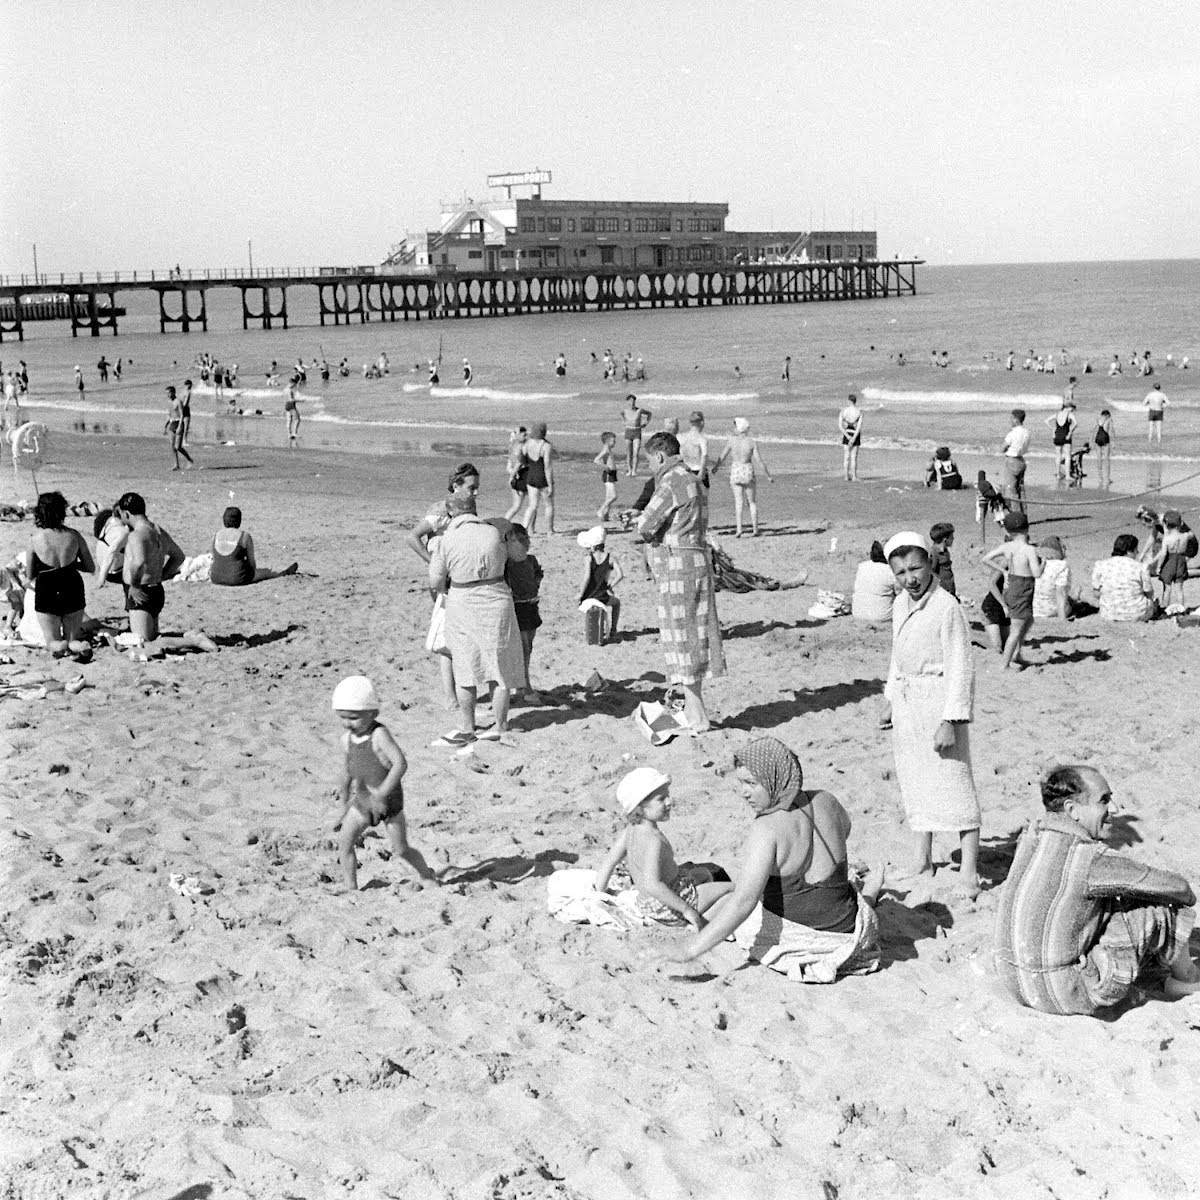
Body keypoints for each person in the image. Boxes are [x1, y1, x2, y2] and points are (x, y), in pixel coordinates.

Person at [660, 738, 883, 983]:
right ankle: (874, 886)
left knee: (724, 904)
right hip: (849, 931)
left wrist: (690, 950)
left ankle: (874, 888)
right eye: (741, 783)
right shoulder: (826, 800)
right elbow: (845, 829)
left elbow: (744, 902)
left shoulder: (767, 828)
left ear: (774, 778)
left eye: (751, 783)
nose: (744, 792)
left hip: (805, 936)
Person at [993, 765, 1200, 1015]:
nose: (1113, 810)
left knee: (1103, 900)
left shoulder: (1032, 838)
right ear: (1072, 810)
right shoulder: (1087, 856)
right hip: (1063, 993)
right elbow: (1181, 889)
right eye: (1104, 801)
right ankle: (1186, 981)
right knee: (1165, 905)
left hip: (1015, 981)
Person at [881, 531, 980, 895]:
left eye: (916, 568)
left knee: (954, 783)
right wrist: (890, 697)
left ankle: (968, 870)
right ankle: (922, 860)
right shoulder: (900, 605)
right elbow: (897, 655)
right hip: (909, 703)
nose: (910, 578)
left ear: (930, 563)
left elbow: (961, 666)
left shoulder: (946, 606)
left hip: (938, 700)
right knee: (916, 781)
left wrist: (951, 720)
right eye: (901, 572)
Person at [636, 431, 725, 733]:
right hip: (698, 559)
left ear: (659, 456)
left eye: (650, 462)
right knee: (695, 636)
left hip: (679, 564)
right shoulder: (695, 481)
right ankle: (693, 710)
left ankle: (698, 718)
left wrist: (645, 527)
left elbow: (645, 525)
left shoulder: (671, 481)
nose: (651, 467)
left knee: (681, 639)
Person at [428, 494, 526, 747]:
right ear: (474, 510)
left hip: (462, 598)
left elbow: (435, 581)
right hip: (496, 597)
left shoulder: (447, 538)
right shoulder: (495, 531)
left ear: (451, 514)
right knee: (499, 665)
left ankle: (467, 725)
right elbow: (520, 556)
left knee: (465, 666)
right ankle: (501, 724)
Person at [331, 675, 435, 892]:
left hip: (388, 802)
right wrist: (342, 804)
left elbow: (400, 763)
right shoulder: (346, 740)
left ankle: (426, 873)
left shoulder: (379, 735)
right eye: (343, 718)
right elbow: (347, 771)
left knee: (401, 849)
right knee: (345, 843)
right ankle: (351, 888)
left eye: (353, 718)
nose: (348, 724)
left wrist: (383, 791)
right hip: (362, 803)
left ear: (373, 713)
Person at [594, 768, 732, 928]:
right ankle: (701, 922)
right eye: (661, 799)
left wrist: (599, 890)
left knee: (704, 874)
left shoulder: (631, 830)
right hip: (670, 905)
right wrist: (686, 909)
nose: (669, 802)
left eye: (668, 796)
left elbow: (611, 860)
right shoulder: (654, 841)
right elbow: (653, 884)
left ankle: (698, 911)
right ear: (639, 807)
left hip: (647, 903)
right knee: (731, 889)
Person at [407, 462, 481, 710]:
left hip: (458, 578)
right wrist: (432, 563)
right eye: (472, 487)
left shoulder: (467, 509)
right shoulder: (441, 509)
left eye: (477, 488)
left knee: (460, 636)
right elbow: (412, 537)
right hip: (443, 581)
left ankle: (461, 691)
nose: (476, 492)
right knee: (446, 641)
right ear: (456, 485)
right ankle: (450, 696)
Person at [25, 491, 95, 656]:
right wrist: (71, 565)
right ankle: (76, 645)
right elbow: (90, 567)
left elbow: (30, 575)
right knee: (73, 639)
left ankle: (59, 645)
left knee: (51, 641)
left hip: (47, 587)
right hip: (72, 583)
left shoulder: (35, 539)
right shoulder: (74, 536)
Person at [982, 512, 1043, 669]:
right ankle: (1005, 664)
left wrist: (1003, 571)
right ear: (1027, 529)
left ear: (1008, 532)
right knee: (1016, 630)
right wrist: (1044, 564)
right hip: (1023, 588)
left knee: (1028, 620)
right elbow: (1037, 574)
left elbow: (985, 559)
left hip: (1014, 587)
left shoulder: (1007, 547)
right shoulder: (1029, 549)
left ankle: (1016, 654)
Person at [713, 417, 773, 538]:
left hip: (736, 470)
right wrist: (768, 476)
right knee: (752, 502)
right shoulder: (751, 442)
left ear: (739, 428)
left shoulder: (731, 441)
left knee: (738, 502)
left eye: (735, 426)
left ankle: (739, 529)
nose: (733, 428)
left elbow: (723, 456)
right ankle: (755, 529)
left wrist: (716, 467)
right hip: (747, 470)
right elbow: (759, 461)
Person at [504, 523, 543, 704]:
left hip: (531, 605)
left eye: (524, 538)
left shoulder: (531, 560)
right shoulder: (508, 563)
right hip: (517, 607)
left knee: (529, 647)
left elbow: (537, 577)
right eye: (517, 540)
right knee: (523, 648)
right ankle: (525, 686)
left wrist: (535, 585)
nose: (523, 542)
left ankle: (522, 685)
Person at [210, 507, 298, 586]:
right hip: (237, 578)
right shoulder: (244, 536)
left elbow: (214, 559)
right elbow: (252, 562)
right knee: (265, 572)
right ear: (239, 520)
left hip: (216, 577)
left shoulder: (216, 535)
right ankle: (281, 574)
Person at [1091, 534, 1155, 623]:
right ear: (1129, 551)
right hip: (1137, 613)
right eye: (1136, 549)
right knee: (1151, 602)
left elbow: (1096, 594)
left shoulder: (1100, 565)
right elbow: (1149, 592)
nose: (1137, 552)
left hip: (1108, 613)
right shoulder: (1141, 567)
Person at [577, 524, 623, 643]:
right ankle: (613, 630)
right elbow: (620, 575)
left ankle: (590, 629)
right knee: (616, 603)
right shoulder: (611, 558)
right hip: (602, 595)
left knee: (589, 608)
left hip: (589, 595)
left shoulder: (588, 559)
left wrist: (581, 593)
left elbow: (587, 577)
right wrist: (610, 586)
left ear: (592, 547)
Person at [851, 540, 899, 623]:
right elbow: (900, 593)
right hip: (882, 616)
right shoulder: (891, 570)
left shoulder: (862, 566)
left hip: (857, 613)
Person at [520, 422, 555, 535]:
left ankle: (527, 528)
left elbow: (522, 459)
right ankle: (549, 530)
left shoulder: (527, 444)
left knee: (532, 505)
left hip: (531, 476)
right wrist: (550, 485)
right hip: (542, 478)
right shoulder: (546, 446)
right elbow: (547, 467)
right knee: (548, 505)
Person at [1153, 510, 1190, 615]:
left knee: (1167, 588)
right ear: (1181, 524)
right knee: (1179, 589)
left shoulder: (1167, 538)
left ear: (1165, 524)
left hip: (1170, 562)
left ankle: (1164, 609)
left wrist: (1159, 567)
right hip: (1181, 562)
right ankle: (1181, 609)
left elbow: (1163, 554)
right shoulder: (1185, 536)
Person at [1033, 535, 1073, 620]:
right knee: (1069, 602)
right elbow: (1060, 592)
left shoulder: (1037, 562)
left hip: (1034, 609)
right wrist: (1062, 618)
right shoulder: (1061, 565)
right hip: (1051, 610)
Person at [1002, 409, 1030, 513]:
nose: (1010, 420)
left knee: (1011, 489)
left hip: (1012, 460)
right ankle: (1024, 512)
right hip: (1021, 460)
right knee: (1021, 489)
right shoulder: (1027, 432)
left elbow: (1003, 447)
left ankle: (1017, 514)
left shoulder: (1012, 433)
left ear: (1016, 420)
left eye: (1011, 418)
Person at [1045, 401, 1078, 480]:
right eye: (1072, 409)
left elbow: (1046, 421)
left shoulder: (1057, 414)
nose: (1072, 411)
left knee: (1058, 455)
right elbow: (1076, 423)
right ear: (1068, 408)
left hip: (1057, 436)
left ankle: (1058, 474)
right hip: (1066, 436)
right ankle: (1067, 475)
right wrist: (1070, 432)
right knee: (1067, 456)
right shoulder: (1069, 415)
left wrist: (1053, 429)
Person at [621, 394, 652, 476]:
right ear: (627, 402)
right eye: (631, 401)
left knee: (636, 452)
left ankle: (634, 471)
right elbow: (622, 416)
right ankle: (629, 470)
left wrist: (646, 423)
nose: (632, 403)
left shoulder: (640, 410)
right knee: (629, 453)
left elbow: (649, 414)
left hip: (637, 432)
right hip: (628, 431)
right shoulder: (624, 411)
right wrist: (624, 422)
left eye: (634, 401)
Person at [164, 386, 194, 471]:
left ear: (173, 392)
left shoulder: (178, 402)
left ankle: (189, 460)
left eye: (169, 393)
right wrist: (165, 426)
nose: (168, 395)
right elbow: (169, 414)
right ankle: (176, 465)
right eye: (166, 393)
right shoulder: (169, 402)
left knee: (178, 447)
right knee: (172, 447)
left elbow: (181, 415)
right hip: (172, 423)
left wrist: (180, 426)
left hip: (178, 423)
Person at [678, 410, 710, 486]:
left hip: (685, 470)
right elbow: (704, 456)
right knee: (703, 496)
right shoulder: (702, 439)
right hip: (698, 470)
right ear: (702, 422)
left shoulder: (681, 437)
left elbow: (679, 455)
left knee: (687, 496)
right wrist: (701, 473)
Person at [593, 431, 619, 524]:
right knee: (613, 496)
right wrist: (605, 467)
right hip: (608, 475)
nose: (615, 442)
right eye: (613, 441)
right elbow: (596, 460)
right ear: (607, 441)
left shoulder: (608, 449)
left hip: (612, 474)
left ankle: (606, 515)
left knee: (608, 496)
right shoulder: (605, 450)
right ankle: (601, 510)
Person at [504, 427, 528, 521]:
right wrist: (512, 476)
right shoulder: (521, 447)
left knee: (519, 506)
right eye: (523, 434)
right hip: (521, 477)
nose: (526, 436)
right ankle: (504, 523)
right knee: (519, 506)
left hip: (518, 476)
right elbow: (518, 464)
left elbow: (509, 466)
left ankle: (531, 528)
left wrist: (512, 475)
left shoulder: (512, 446)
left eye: (526, 434)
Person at [838, 393, 863, 482]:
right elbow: (859, 427)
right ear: (855, 401)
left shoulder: (843, 411)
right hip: (855, 435)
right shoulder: (859, 412)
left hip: (847, 433)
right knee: (854, 457)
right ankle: (854, 477)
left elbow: (840, 426)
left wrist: (848, 437)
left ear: (849, 401)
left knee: (846, 457)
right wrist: (853, 438)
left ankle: (845, 476)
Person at [928, 522, 957, 598]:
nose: (953, 539)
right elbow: (931, 571)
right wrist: (940, 584)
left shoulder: (944, 550)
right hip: (942, 591)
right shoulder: (934, 553)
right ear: (945, 540)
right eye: (951, 537)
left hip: (949, 587)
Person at [1093, 408, 1114, 487]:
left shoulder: (1098, 419)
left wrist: (1091, 440)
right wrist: (1113, 442)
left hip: (1098, 438)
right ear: (1108, 415)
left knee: (1099, 459)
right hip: (1105, 438)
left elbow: (1094, 430)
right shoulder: (1109, 420)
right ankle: (1107, 479)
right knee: (1106, 459)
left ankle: (1100, 478)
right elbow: (1111, 431)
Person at [284, 377, 302, 443]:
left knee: (289, 420)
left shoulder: (285, 389)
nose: (294, 386)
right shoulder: (290, 390)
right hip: (291, 405)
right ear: (292, 383)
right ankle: (295, 433)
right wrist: (300, 400)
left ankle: (289, 434)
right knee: (297, 419)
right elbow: (291, 400)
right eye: (294, 384)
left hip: (286, 405)